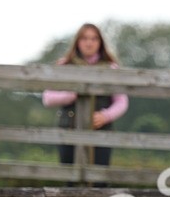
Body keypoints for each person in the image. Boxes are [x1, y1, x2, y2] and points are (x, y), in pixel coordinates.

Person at [42, 23, 128, 167]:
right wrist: (72, 94)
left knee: (100, 180)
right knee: (69, 178)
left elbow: (122, 102)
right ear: (78, 42)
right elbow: (48, 98)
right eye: (85, 38)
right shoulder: (64, 66)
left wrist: (106, 116)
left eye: (94, 39)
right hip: (68, 130)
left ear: (100, 43)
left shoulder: (111, 68)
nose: (89, 43)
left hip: (101, 131)